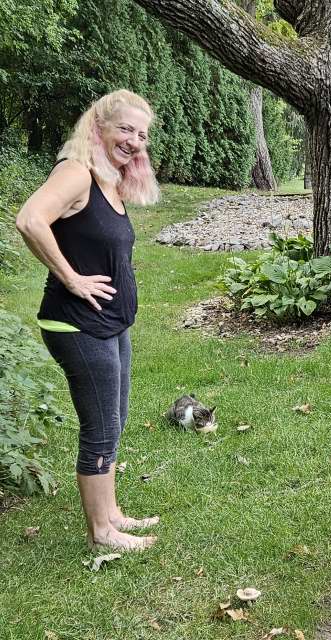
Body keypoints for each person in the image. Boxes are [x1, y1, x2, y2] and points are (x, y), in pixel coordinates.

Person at [16, 89, 161, 551]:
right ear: (97, 126)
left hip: (110, 323)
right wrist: (72, 278)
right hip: (76, 324)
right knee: (99, 426)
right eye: (125, 129)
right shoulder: (76, 173)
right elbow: (30, 219)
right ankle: (101, 534)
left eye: (141, 134)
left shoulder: (109, 181)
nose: (135, 141)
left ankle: (112, 513)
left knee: (113, 421)